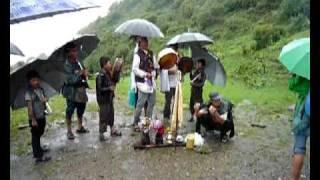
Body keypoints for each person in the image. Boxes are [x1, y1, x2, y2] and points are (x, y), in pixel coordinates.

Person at [62, 42, 89, 140]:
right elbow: (69, 80)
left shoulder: (79, 62)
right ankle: (69, 131)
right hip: (71, 92)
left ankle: (80, 127)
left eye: (76, 50)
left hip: (81, 90)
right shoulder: (66, 65)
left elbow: (82, 73)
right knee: (70, 110)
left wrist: (85, 73)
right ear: (68, 53)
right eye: (73, 51)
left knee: (81, 108)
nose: (76, 52)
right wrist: (80, 73)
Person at [132, 37, 159, 131]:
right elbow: (135, 69)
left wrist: (155, 71)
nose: (146, 43)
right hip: (143, 83)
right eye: (144, 41)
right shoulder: (137, 55)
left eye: (147, 41)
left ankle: (147, 123)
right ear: (140, 43)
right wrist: (144, 74)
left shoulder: (151, 53)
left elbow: (155, 66)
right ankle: (135, 122)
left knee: (151, 103)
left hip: (152, 83)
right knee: (140, 104)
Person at [25, 70, 51, 164]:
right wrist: (33, 119)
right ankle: (38, 156)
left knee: (41, 131)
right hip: (35, 118)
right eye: (33, 80)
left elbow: (45, 98)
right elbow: (30, 107)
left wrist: (45, 99)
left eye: (37, 79)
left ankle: (38, 148)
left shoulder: (40, 89)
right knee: (35, 136)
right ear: (29, 82)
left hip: (41, 115)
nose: (36, 82)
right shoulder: (29, 93)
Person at [288, 74, 310, 180]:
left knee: (299, 148)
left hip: (304, 112)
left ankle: (294, 178)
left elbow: (292, 85)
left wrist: (294, 75)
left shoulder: (305, 68)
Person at [96, 57, 122, 141]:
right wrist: (109, 88)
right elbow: (100, 89)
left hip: (109, 98)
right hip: (103, 100)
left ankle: (112, 130)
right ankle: (101, 134)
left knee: (111, 114)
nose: (110, 64)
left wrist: (118, 70)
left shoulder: (108, 73)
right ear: (104, 65)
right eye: (109, 63)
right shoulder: (100, 75)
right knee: (104, 116)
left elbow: (115, 80)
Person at [162, 44, 180, 121]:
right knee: (168, 100)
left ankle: (174, 114)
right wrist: (171, 70)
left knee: (176, 100)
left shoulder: (178, 58)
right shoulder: (167, 58)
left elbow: (180, 69)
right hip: (168, 83)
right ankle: (166, 115)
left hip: (176, 82)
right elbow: (163, 69)